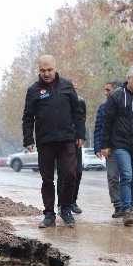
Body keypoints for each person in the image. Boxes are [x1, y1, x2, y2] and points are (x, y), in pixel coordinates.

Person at [22, 55, 85, 228]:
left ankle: (65, 208)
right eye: (43, 70)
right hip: (45, 141)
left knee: (70, 175)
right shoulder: (33, 90)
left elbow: (77, 112)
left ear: (55, 68)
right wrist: (28, 138)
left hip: (67, 139)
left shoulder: (67, 86)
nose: (46, 73)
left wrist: (80, 134)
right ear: (39, 70)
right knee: (47, 179)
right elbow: (28, 117)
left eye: (49, 70)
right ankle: (49, 214)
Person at [101, 66, 133, 226]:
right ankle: (127, 210)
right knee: (126, 176)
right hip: (121, 144)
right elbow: (107, 122)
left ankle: (129, 209)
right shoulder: (116, 96)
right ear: (128, 78)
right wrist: (105, 145)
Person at [93, 81, 122, 217]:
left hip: (127, 147)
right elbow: (98, 128)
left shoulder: (126, 105)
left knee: (128, 178)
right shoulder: (103, 108)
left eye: (108, 90)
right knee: (113, 177)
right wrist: (98, 147)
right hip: (110, 149)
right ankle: (118, 205)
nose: (105, 93)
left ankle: (127, 205)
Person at [57, 87, 87, 214]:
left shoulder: (80, 101)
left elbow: (82, 120)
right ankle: (61, 204)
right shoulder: (58, 101)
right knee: (62, 174)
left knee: (77, 173)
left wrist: (80, 136)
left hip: (75, 142)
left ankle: (72, 201)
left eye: (75, 88)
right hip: (61, 142)